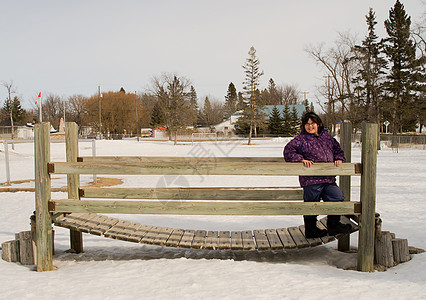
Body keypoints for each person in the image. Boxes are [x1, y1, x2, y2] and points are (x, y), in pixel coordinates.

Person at [283, 112, 352, 238]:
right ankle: (310, 230)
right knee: (311, 204)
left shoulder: (327, 137)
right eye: (307, 124)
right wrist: (300, 159)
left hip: (328, 177)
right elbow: (288, 151)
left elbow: (338, 150)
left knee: (337, 197)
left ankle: (333, 225)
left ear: (318, 123)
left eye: (312, 123)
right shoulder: (301, 140)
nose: (310, 126)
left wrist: (339, 158)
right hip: (311, 179)